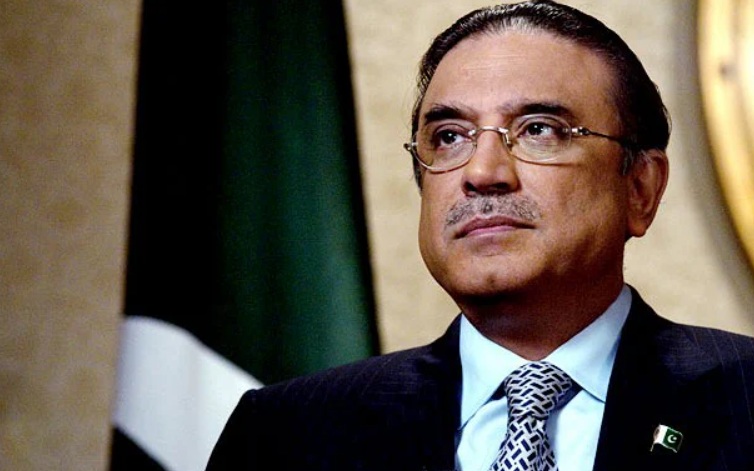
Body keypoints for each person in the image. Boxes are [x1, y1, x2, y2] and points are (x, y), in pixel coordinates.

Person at [206, 1, 754, 470]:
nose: (482, 172)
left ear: (640, 188)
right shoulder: (286, 434)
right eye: (449, 137)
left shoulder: (744, 400)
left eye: (538, 130)